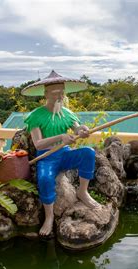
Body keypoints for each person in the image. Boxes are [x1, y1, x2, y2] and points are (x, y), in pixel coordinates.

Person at [22, 71, 99, 237]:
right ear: (46, 94)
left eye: (62, 92)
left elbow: (77, 128)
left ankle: (82, 192)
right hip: (47, 156)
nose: (60, 96)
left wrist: (82, 130)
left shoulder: (68, 113)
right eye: (55, 92)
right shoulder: (36, 116)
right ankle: (49, 216)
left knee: (88, 153)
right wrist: (60, 137)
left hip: (65, 154)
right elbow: (38, 143)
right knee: (44, 178)